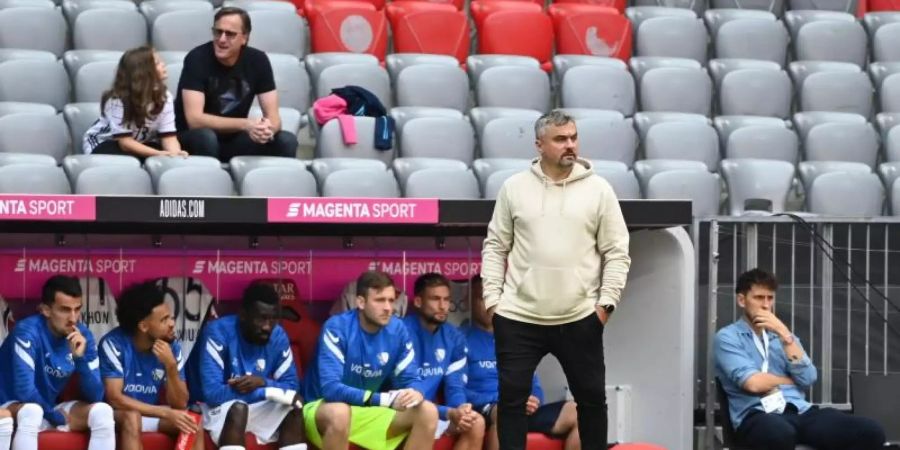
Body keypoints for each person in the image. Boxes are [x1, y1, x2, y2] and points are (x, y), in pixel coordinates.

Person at [481, 109, 631, 450]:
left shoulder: (599, 190)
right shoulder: (513, 188)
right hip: (518, 317)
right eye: (560, 139)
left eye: (573, 137)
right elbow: (494, 247)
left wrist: (605, 305)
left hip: (580, 317)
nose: (570, 145)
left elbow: (617, 251)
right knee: (511, 403)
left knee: (592, 402)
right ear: (539, 145)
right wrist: (494, 303)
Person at [715, 268, 886, 450]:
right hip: (757, 414)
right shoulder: (728, 337)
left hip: (800, 410)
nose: (765, 305)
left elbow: (808, 378)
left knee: (871, 431)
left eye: (770, 298)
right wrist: (789, 380)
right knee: (778, 433)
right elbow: (754, 384)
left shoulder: (784, 337)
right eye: (758, 298)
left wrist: (784, 334)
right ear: (742, 300)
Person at [302, 271, 438, 450]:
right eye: (380, 300)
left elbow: (412, 380)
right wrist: (384, 400)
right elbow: (331, 390)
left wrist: (417, 393)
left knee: (427, 411)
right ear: (360, 302)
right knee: (340, 412)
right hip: (322, 408)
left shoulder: (397, 329)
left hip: (367, 409)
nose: (388, 307)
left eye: (391, 300)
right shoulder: (337, 327)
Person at [465, 275, 581, 450]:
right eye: (483, 298)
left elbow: (535, 385)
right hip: (487, 409)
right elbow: (458, 392)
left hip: (521, 408)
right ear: (469, 302)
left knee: (580, 411)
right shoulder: (459, 339)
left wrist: (534, 400)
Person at [187, 282, 306, 450]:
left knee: (293, 409)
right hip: (214, 408)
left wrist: (263, 383)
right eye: (261, 319)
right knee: (239, 409)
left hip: (255, 405)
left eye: (272, 320)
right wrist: (268, 392)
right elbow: (212, 394)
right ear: (243, 314)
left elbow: (292, 387)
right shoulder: (217, 332)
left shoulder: (277, 335)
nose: (267, 327)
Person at [0, 275, 115, 450]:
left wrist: (80, 359)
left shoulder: (82, 336)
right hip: (11, 406)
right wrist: (56, 417)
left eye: (77, 309)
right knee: (33, 411)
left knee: (103, 412)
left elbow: (96, 395)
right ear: (45, 310)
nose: (73, 318)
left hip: (49, 407)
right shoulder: (26, 332)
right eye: (65, 310)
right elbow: (25, 391)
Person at [174, 7, 298, 162]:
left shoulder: (258, 60)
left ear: (244, 38)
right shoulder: (197, 59)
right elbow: (194, 120)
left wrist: (266, 130)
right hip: (192, 138)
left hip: (233, 138)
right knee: (206, 137)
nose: (222, 39)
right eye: (218, 32)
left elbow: (274, 117)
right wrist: (246, 124)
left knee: (286, 141)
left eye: (230, 34)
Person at [98, 280, 202, 450]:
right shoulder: (114, 344)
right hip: (117, 415)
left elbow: (180, 404)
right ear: (144, 326)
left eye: (171, 317)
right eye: (164, 320)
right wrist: (165, 412)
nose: (171, 324)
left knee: (191, 422)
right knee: (132, 417)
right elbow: (115, 398)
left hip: (149, 413)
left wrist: (171, 367)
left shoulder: (171, 346)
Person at [402, 273, 485, 450]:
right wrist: (447, 412)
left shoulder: (454, 337)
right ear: (418, 302)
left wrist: (460, 409)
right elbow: (405, 393)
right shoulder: (401, 333)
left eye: (446, 300)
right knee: (427, 414)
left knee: (475, 422)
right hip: (400, 412)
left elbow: (454, 385)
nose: (443, 306)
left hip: (433, 412)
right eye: (435, 299)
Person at [83, 46, 188, 159]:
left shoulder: (165, 97)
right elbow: (125, 143)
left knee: (164, 156)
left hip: (141, 143)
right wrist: (159, 154)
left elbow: (168, 137)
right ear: (143, 71)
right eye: (157, 63)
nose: (163, 65)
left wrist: (175, 154)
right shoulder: (118, 99)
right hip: (106, 142)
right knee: (125, 157)